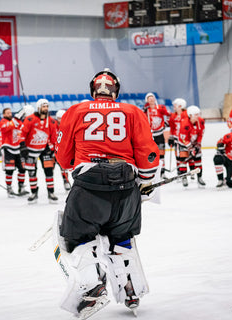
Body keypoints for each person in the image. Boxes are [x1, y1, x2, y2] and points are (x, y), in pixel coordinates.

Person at [54, 69, 160, 318]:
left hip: (89, 185)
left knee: (77, 237)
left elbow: (63, 156)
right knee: (121, 236)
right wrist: (144, 183)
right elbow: (148, 152)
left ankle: (93, 287)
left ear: (93, 90)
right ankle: (130, 288)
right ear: (116, 91)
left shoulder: (76, 111)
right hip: (126, 184)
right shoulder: (133, 111)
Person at [19, 98, 59, 204]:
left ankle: (51, 192)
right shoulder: (30, 119)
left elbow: (54, 137)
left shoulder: (51, 121)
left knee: (49, 171)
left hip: (44, 149)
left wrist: (53, 149)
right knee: (32, 173)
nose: (45, 108)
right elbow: (22, 134)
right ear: (38, 108)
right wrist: (23, 146)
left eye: (47, 106)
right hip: (30, 150)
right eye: (43, 106)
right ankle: (33, 193)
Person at [0, 105, 32, 197]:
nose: (10, 114)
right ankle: (9, 189)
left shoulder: (17, 121)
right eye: (7, 113)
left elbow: (23, 128)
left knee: (22, 169)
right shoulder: (3, 122)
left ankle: (21, 187)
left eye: (10, 113)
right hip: (8, 148)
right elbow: (7, 127)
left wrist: (26, 119)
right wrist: (16, 118)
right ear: (4, 114)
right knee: (9, 170)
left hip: (18, 148)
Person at [143, 92, 170, 178]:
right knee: (151, 154)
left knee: (161, 154)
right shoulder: (145, 110)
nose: (151, 99)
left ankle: (162, 172)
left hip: (160, 134)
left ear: (155, 99)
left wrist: (166, 123)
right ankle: (153, 172)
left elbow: (170, 115)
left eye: (152, 97)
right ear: (146, 100)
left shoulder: (161, 107)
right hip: (150, 136)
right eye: (149, 98)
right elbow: (142, 120)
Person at [177, 105, 206, 187]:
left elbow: (200, 134)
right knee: (183, 161)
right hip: (183, 144)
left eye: (198, 114)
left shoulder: (201, 121)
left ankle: (199, 177)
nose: (198, 116)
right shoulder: (184, 123)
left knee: (198, 161)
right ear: (190, 115)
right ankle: (184, 177)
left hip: (194, 143)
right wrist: (190, 148)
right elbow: (183, 139)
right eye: (196, 114)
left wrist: (198, 145)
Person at [168, 98, 187, 177]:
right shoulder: (173, 115)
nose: (173, 107)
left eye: (175, 105)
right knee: (178, 155)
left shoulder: (186, 114)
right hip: (176, 138)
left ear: (180, 106)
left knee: (186, 155)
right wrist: (171, 137)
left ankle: (190, 171)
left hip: (185, 139)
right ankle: (180, 172)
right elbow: (172, 127)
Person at [55, 109, 71, 191]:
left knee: (63, 167)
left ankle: (66, 181)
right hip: (52, 149)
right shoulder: (53, 125)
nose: (60, 120)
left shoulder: (68, 125)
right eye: (59, 118)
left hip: (62, 149)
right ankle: (50, 188)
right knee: (49, 169)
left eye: (62, 118)